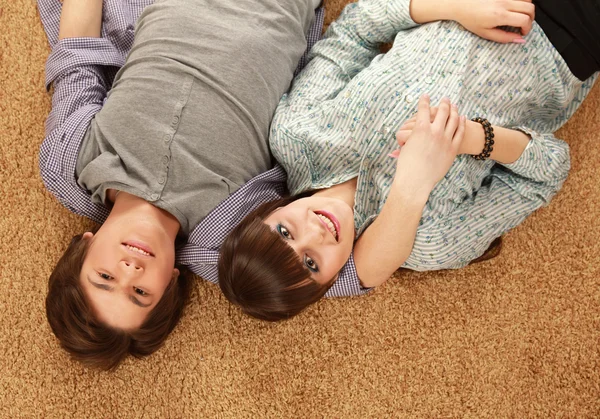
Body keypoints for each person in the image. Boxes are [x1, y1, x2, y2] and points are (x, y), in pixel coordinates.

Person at [217, 0, 599, 321]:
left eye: (285, 232)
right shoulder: (427, 242)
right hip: (564, 45)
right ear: (333, 280)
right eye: (312, 264)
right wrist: (472, 137)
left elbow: (355, 30)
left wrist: (455, 8)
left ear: (265, 212)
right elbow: (550, 169)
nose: (316, 234)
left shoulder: (297, 133)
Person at [40, 0, 324, 369]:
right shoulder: (221, 237)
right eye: (140, 293)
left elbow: (75, 57)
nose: (130, 270)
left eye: (106, 277)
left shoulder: (75, 165)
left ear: (84, 247)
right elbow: (332, 266)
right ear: (171, 283)